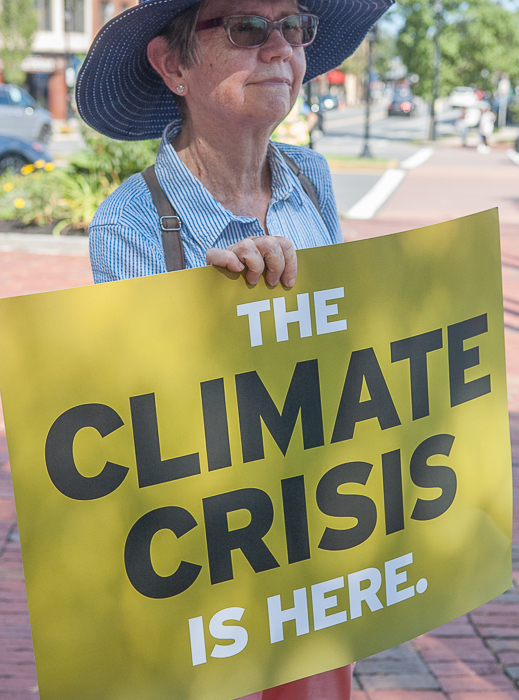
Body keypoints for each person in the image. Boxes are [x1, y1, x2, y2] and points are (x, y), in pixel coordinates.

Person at [76, 0, 392, 697]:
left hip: (312, 553)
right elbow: (147, 433)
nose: (278, 47)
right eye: (248, 28)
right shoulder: (128, 223)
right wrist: (218, 311)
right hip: (209, 580)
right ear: (172, 65)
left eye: (294, 26)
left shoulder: (311, 177)